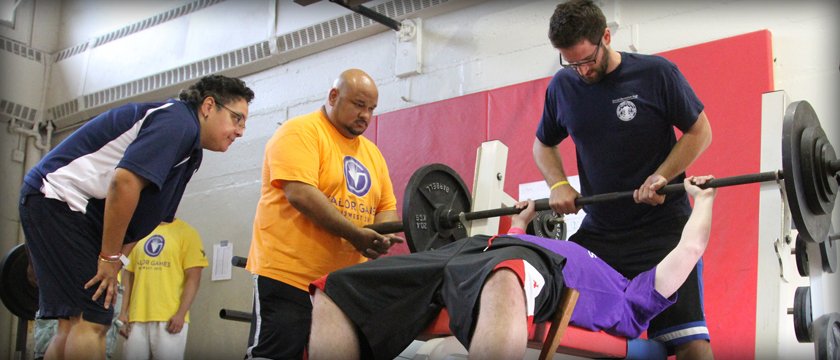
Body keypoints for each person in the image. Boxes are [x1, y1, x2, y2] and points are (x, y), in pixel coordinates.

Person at [308, 176, 717, 360]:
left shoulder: (636, 297)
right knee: (339, 286)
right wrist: (520, 222)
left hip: (519, 267)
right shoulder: (573, 246)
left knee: (508, 275)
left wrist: (705, 200)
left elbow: (690, 246)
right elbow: (518, 246)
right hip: (477, 249)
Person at [18, 74, 254, 360]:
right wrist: (108, 258)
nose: (240, 131)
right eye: (236, 119)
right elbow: (124, 183)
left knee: (72, 322)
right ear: (208, 106)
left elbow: (144, 221)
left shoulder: (191, 151)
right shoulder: (178, 122)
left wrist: (118, 262)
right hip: (60, 201)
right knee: (93, 321)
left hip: (59, 206)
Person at [532, 1, 714, 358]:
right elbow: (543, 145)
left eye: (587, 59)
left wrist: (662, 175)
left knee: (690, 342)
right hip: (601, 235)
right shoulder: (563, 86)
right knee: (564, 330)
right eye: (571, 62)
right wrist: (558, 184)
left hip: (663, 229)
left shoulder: (656, 73)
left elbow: (700, 132)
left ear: (606, 37)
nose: (582, 70)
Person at [245, 69, 403, 360]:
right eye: (359, 104)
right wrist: (356, 236)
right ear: (333, 96)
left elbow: (385, 208)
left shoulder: (372, 154)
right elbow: (301, 194)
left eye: (371, 108)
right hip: (289, 277)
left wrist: (381, 237)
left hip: (340, 287)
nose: (365, 115)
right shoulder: (299, 132)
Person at [117, 219, 208, 360]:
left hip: (170, 318)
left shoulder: (187, 232)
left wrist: (181, 314)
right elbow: (128, 276)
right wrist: (122, 313)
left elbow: (194, 278)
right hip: (136, 317)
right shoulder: (139, 231)